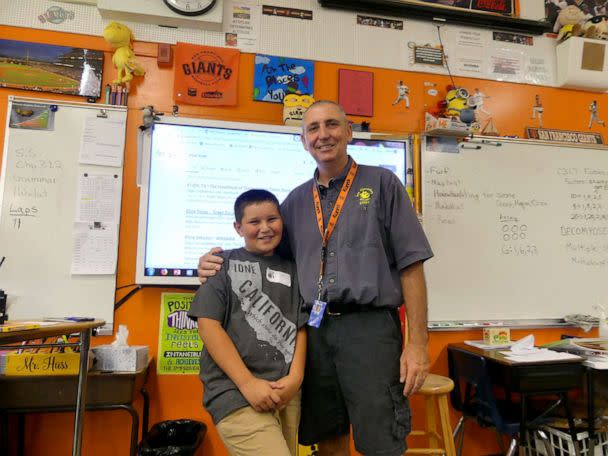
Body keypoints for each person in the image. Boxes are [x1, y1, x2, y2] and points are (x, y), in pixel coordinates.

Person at [199, 100, 433, 456]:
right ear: (303, 140)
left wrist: (417, 345)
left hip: (369, 332)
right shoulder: (293, 203)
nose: (323, 135)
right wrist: (212, 262)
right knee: (328, 434)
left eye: (331, 125)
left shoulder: (383, 184)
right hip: (314, 332)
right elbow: (267, 260)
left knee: (380, 438)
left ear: (349, 131)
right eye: (313, 128)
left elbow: (412, 265)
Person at [188, 189, 308, 456]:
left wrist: (295, 379)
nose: (265, 228)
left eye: (272, 219)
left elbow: (301, 327)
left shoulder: (295, 269)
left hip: (285, 393)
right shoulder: (221, 264)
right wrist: (247, 384)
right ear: (238, 227)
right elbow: (208, 326)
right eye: (254, 222)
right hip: (236, 392)